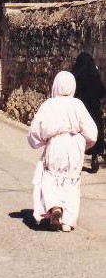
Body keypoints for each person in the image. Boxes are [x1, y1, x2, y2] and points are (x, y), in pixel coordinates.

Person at [28, 71, 97, 231]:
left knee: (51, 177)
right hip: (75, 145)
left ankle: (55, 206)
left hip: (56, 144)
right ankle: (68, 222)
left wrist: (40, 141)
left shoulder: (49, 105)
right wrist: (84, 144)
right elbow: (92, 133)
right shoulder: (77, 104)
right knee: (72, 180)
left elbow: (36, 131)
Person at [72, 52, 106, 173]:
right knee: (94, 133)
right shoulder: (94, 75)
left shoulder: (75, 75)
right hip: (93, 111)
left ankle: (78, 160)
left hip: (79, 110)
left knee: (79, 134)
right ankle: (94, 157)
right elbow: (102, 92)